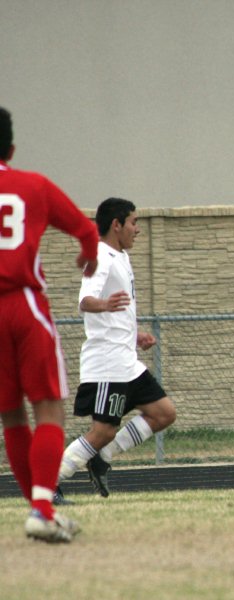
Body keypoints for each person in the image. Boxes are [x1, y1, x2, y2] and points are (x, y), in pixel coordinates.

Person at [0, 106, 98, 542]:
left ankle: (39, 511)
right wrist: (88, 255)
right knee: (48, 407)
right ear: (12, 147)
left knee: (10, 414)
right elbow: (85, 229)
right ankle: (43, 509)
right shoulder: (32, 185)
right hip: (22, 303)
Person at [56, 197, 176, 498]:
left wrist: (135, 334)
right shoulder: (100, 256)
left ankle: (102, 458)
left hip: (126, 360)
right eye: (134, 222)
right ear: (116, 224)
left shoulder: (120, 255)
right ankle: (49, 481)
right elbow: (85, 301)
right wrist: (105, 304)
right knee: (103, 431)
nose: (137, 230)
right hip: (108, 363)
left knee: (163, 413)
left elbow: (117, 312)